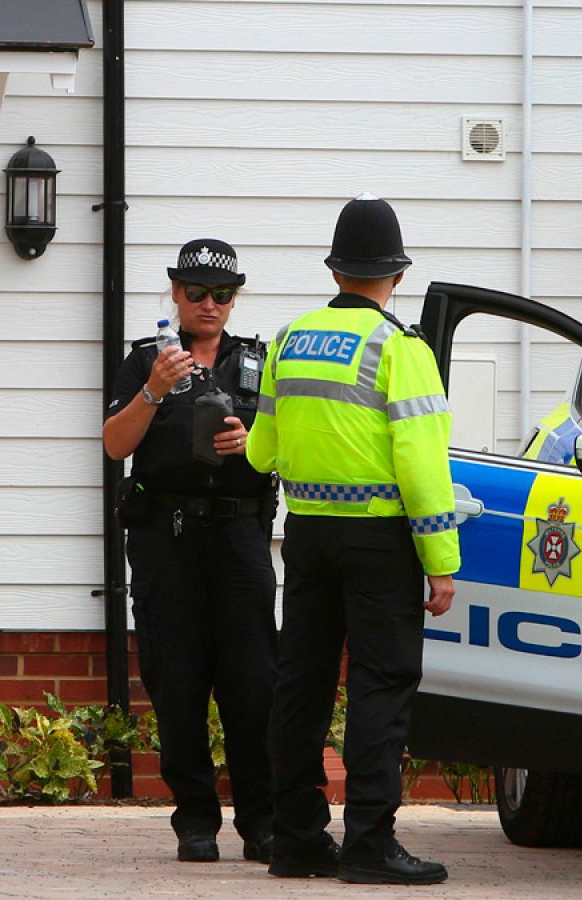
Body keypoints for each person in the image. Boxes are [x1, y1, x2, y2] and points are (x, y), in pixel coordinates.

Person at [245, 195, 459, 885]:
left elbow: (257, 452)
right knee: (380, 686)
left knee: (300, 684)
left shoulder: (287, 340)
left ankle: (297, 838)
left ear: (336, 270)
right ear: (395, 275)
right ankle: (370, 842)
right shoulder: (400, 348)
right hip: (378, 543)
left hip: (305, 536)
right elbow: (423, 468)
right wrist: (442, 564)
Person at [103, 238, 278, 864]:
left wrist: (252, 444)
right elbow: (115, 446)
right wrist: (152, 390)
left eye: (222, 294)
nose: (209, 304)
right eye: (197, 292)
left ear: (235, 299)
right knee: (176, 685)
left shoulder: (263, 362)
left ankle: (262, 821)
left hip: (238, 538)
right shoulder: (147, 361)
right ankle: (195, 821)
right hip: (166, 540)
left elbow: (288, 449)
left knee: (253, 685)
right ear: (176, 294)